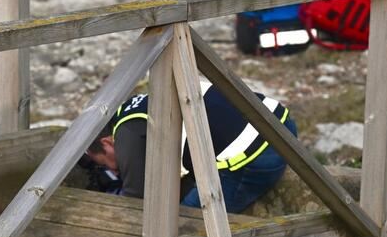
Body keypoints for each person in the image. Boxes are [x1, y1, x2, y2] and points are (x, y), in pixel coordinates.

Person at [84, 88, 296, 214]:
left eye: (105, 163)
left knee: (181, 226)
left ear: (107, 143)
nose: (115, 170)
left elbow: (137, 204)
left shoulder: (126, 134)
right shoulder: (135, 107)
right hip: (279, 121)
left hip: (256, 154)